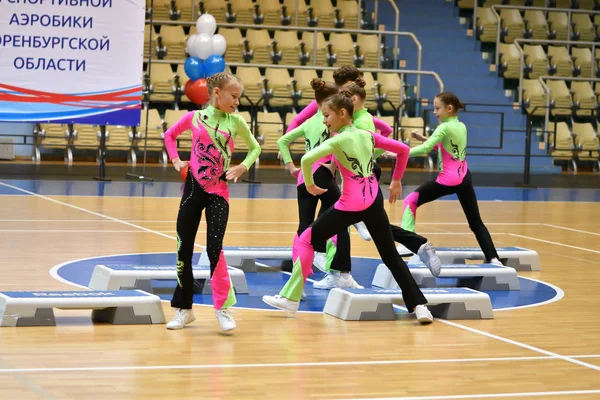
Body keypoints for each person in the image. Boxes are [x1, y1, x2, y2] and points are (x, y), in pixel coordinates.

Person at [263, 89, 434, 325]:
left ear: (342, 113)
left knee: (305, 239)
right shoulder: (368, 135)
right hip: (374, 202)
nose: (324, 120)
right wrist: (396, 180)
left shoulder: (337, 140)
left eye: (327, 116)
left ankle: (291, 298)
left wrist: (310, 184)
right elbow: (403, 150)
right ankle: (420, 306)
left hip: (349, 205)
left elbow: (305, 160)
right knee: (390, 255)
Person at [163, 72, 261, 332]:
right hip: (193, 191)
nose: (237, 102)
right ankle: (184, 309)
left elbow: (255, 148)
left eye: (239, 97)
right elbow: (169, 136)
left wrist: (242, 167)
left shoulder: (236, 122)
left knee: (214, 249)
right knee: (183, 247)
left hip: (219, 192)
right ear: (217, 92)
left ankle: (223, 308)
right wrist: (175, 160)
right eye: (234, 96)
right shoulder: (194, 118)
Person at [341, 78, 441, 276]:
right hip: (363, 176)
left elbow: (361, 150)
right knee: (377, 229)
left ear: (353, 99)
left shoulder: (359, 123)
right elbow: (381, 136)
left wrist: (395, 178)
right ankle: (419, 245)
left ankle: (335, 267)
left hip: (361, 179)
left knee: (374, 229)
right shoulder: (365, 117)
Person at [283, 66, 393, 243]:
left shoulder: (356, 112)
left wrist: (375, 152)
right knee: (333, 212)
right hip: (332, 163)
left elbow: (384, 130)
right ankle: (323, 254)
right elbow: (298, 120)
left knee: (342, 211)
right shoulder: (331, 103)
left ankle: (329, 253)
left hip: (353, 166)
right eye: (353, 84)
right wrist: (286, 140)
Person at [277, 78, 362, 290]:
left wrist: (291, 168)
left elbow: (282, 141)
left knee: (303, 227)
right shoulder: (332, 123)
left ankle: (298, 281)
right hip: (322, 174)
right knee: (341, 221)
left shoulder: (308, 123)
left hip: (303, 178)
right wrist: (333, 166)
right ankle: (339, 271)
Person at [400, 92, 502, 266]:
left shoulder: (443, 128)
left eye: (437, 108)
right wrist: (424, 138)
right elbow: (445, 147)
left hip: (447, 180)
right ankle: (493, 258)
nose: (434, 112)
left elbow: (427, 148)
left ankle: (407, 244)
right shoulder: (461, 126)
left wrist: (399, 152)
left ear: (449, 108)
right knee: (476, 222)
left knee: (411, 200)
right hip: (465, 179)